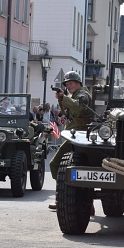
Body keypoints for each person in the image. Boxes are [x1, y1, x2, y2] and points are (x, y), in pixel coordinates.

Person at [48, 71, 94, 210]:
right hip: (75, 135)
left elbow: (80, 108)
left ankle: (62, 196)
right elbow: (67, 112)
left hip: (80, 134)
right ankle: (82, 201)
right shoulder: (73, 95)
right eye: (67, 84)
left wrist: (64, 98)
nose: (69, 86)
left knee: (55, 164)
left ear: (79, 83)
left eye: (71, 83)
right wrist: (61, 99)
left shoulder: (82, 94)